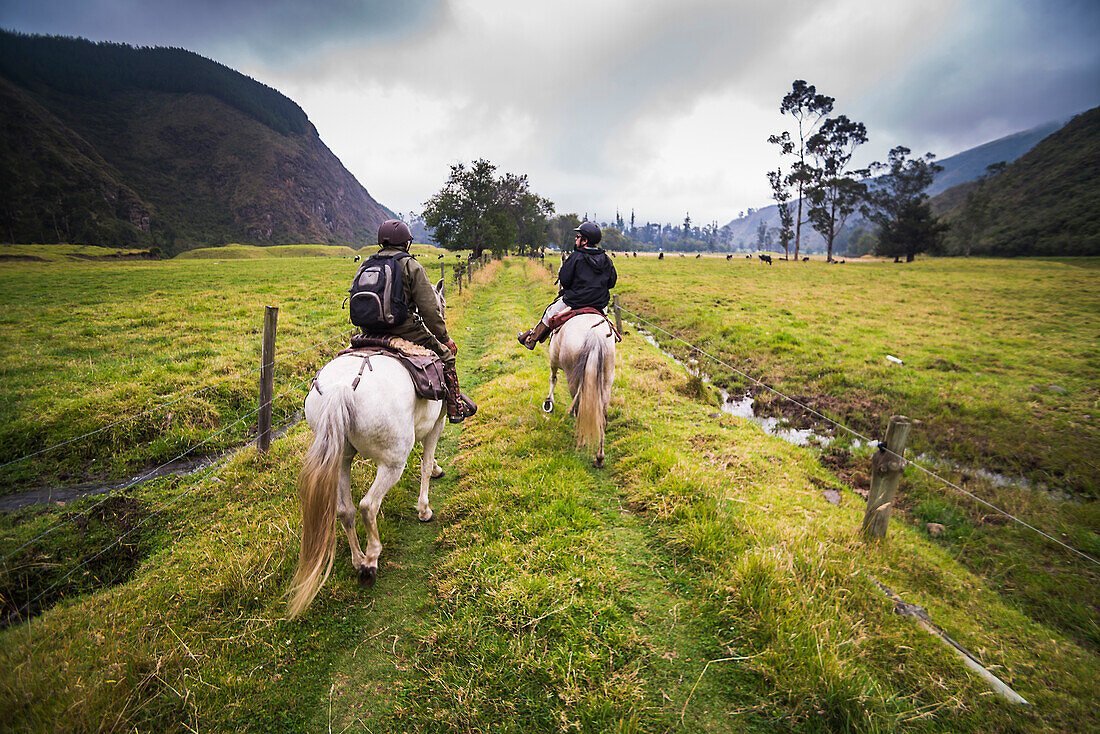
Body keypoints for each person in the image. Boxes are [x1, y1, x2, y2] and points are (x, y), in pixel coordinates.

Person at [359, 219, 476, 423]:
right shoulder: (410, 265)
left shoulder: (368, 263)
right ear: (405, 243)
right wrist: (445, 339)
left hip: (368, 328)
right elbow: (430, 310)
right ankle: (455, 406)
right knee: (447, 356)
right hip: (402, 328)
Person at [517, 221, 617, 349]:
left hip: (574, 302)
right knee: (607, 324)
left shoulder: (576, 257)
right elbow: (612, 282)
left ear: (585, 240)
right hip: (599, 304)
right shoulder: (606, 259)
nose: (576, 239)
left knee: (549, 313)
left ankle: (531, 340)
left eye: (578, 236)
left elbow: (565, 281)